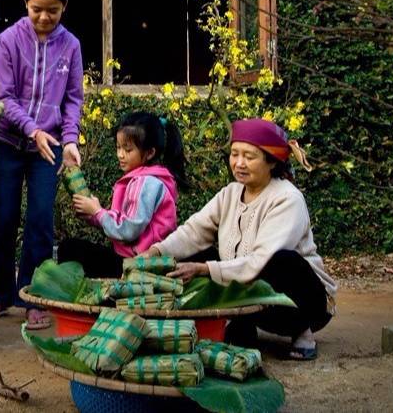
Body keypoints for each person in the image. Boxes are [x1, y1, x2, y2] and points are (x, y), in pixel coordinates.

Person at [142, 118, 336, 360]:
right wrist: (156, 251)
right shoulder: (230, 193)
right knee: (194, 254)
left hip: (301, 300)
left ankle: (301, 330)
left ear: (271, 161)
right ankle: (240, 322)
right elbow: (194, 231)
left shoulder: (288, 199)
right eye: (235, 154)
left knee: (281, 261)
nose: (239, 163)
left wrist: (205, 269)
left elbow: (259, 261)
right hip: (248, 292)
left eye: (249, 156)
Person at [0, 0, 84, 330]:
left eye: (52, 10)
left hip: (49, 148)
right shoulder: (9, 40)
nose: (44, 17)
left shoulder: (71, 46)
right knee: (4, 218)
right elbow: (5, 96)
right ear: (26, 1)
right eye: (37, 8)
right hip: (8, 141)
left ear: (64, 7)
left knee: (40, 221)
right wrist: (31, 129)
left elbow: (73, 100)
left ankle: (31, 298)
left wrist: (69, 140)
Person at [58, 112, 184, 278]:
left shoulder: (147, 183)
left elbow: (128, 230)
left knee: (70, 248)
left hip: (139, 265)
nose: (120, 154)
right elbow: (121, 222)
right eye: (118, 147)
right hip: (128, 260)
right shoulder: (142, 178)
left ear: (150, 153)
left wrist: (98, 212)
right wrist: (93, 214)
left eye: (128, 149)